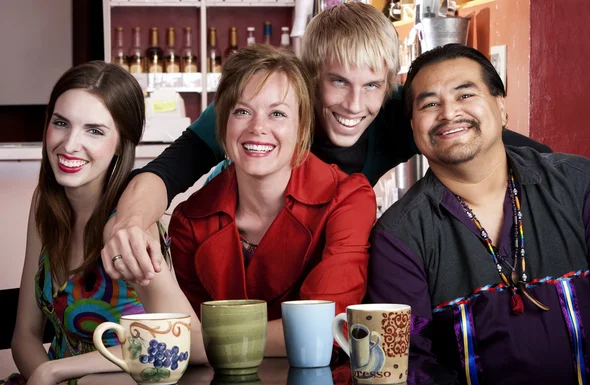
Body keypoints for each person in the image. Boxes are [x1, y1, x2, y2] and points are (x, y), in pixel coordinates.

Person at [100, 1, 550, 284]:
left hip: (325, 258)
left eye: (372, 85)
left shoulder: (394, 114)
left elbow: (500, 143)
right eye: (338, 81)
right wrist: (129, 223)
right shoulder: (263, 107)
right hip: (240, 256)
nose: (355, 104)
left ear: (389, 85)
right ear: (309, 77)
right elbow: (167, 170)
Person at [366, 44, 590, 385]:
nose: (449, 113)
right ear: (414, 128)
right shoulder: (400, 236)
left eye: (465, 95)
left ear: (501, 107)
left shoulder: (580, 185)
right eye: (430, 103)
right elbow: (403, 364)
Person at [165, 44, 375, 355]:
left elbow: (329, 329)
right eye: (242, 111)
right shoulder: (189, 220)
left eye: (277, 113)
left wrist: (202, 342)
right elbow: (188, 345)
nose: (258, 128)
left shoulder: (348, 199)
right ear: (222, 126)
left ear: (301, 127)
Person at [5, 62, 188, 385]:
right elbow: (25, 335)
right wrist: (45, 377)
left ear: (121, 143)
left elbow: (182, 343)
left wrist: (57, 370)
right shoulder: (45, 204)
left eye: (94, 130)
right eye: (61, 123)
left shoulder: (131, 224)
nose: (70, 144)